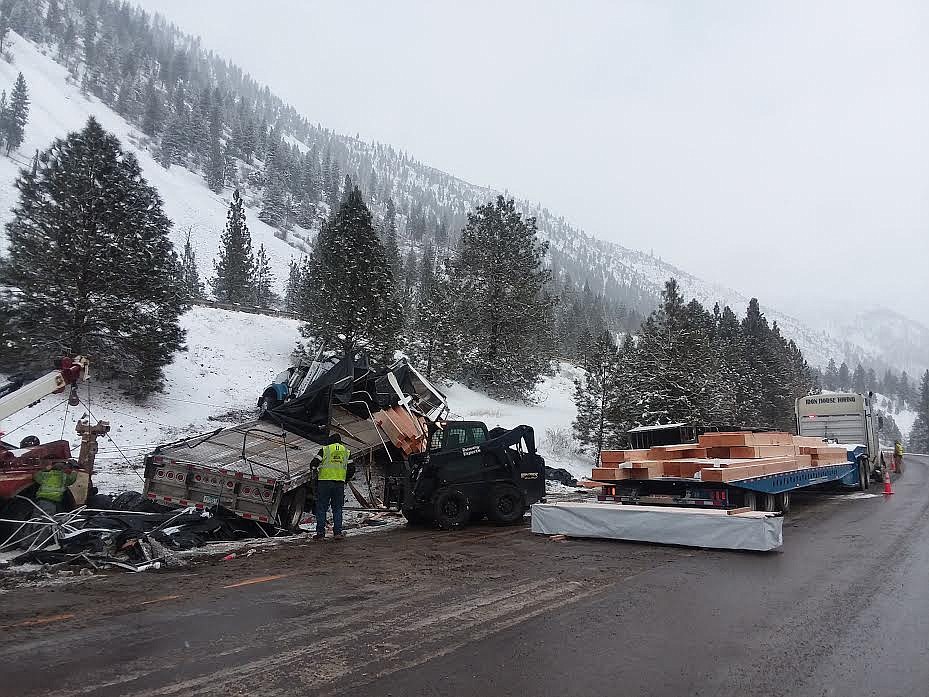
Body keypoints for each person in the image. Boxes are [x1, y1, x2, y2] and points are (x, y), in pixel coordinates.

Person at [313, 434, 353, 541]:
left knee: (322, 508)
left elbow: (314, 463)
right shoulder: (346, 451)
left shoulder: (325, 449)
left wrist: (315, 472)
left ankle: (320, 533)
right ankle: (337, 533)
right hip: (339, 484)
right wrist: (346, 479)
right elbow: (352, 468)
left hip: (324, 483)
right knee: (337, 508)